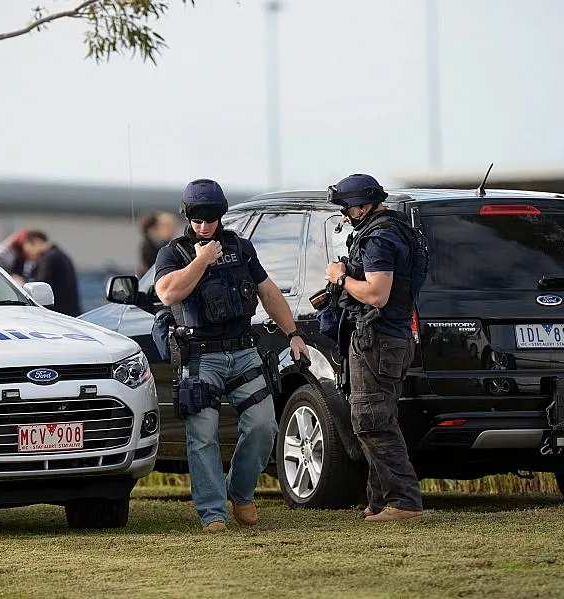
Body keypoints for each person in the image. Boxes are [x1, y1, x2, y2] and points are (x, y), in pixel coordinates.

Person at [154, 178, 309, 532]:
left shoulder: (241, 248)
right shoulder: (174, 253)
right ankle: (212, 513)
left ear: (221, 216)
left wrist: (294, 334)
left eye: (210, 219)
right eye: (197, 220)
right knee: (203, 435)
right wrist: (202, 261)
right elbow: (167, 293)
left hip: (242, 351)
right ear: (187, 218)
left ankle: (240, 493)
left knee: (264, 425)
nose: (204, 226)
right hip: (200, 357)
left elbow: (268, 292)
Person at [324, 173, 424, 523]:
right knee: (378, 418)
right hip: (390, 338)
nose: (344, 215)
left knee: (370, 421)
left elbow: (377, 294)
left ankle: (404, 502)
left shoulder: (379, 238)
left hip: (378, 339)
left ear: (363, 206)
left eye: (347, 209)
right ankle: (380, 501)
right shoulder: (396, 230)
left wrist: (340, 278)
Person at [21, 230, 82, 317]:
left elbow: (40, 286)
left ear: (36, 241)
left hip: (59, 314)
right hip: (70, 312)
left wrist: (22, 285)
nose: (30, 255)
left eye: (29, 251)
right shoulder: (60, 254)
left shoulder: (48, 258)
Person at [139, 211, 178, 276]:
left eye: (174, 227)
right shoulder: (149, 244)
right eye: (168, 227)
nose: (173, 230)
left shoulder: (172, 245)